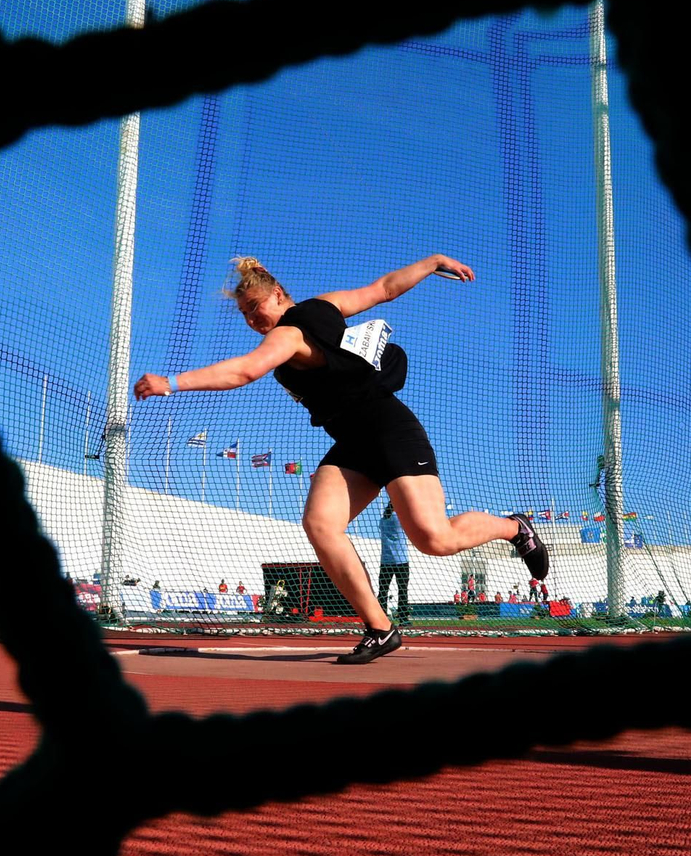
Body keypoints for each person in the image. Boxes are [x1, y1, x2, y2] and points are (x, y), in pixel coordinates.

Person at [135, 255, 548, 665]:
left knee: (434, 539)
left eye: (255, 308)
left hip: (390, 431)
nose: (251, 319)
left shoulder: (289, 333)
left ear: (278, 295)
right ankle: (380, 628)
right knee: (320, 524)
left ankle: (514, 527)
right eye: (244, 313)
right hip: (352, 442)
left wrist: (171, 383)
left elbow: (245, 371)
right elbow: (383, 289)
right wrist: (430, 263)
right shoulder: (323, 307)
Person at [376, 500, 410, 626]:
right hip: (401, 560)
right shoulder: (399, 519)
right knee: (402, 590)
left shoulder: (382, 521)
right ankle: (403, 618)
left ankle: (381, 617)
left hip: (386, 560)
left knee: (383, 591)